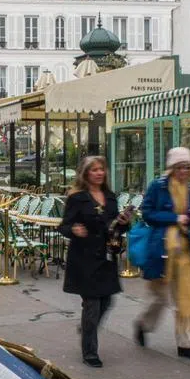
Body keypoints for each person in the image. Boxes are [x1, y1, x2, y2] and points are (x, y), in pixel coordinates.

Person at [134, 146, 190, 360]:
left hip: (183, 250)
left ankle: (185, 345)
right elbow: (147, 214)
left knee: (185, 297)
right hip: (161, 249)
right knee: (159, 298)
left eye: (188, 167)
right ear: (172, 168)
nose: (185, 171)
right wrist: (175, 218)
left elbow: (186, 218)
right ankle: (143, 324)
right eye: (181, 167)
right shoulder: (158, 186)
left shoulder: (189, 189)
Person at [59, 156, 133, 368]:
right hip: (84, 258)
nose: (100, 173)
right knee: (92, 304)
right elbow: (64, 226)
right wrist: (73, 229)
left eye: (102, 169)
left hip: (106, 257)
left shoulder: (110, 197)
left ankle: (87, 328)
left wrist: (123, 223)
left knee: (107, 301)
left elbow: (114, 228)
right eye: (95, 170)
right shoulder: (77, 198)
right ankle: (90, 351)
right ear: (86, 174)